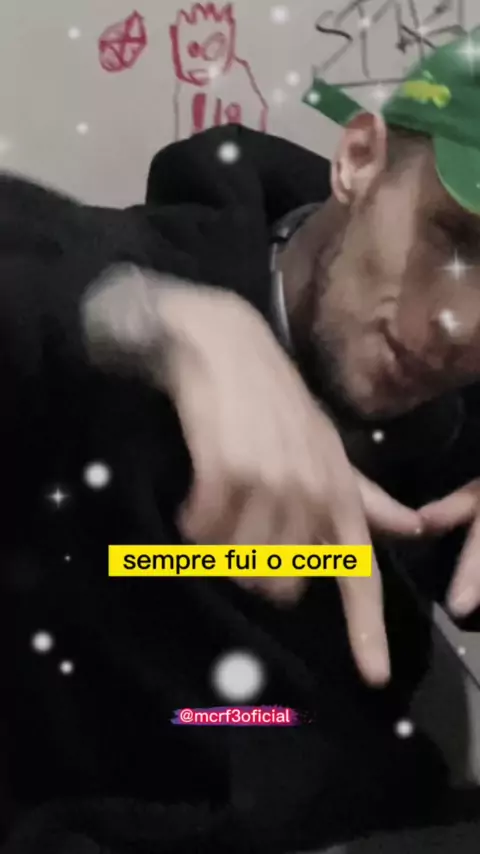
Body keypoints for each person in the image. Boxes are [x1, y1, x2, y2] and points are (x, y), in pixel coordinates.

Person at [2, 28, 480, 854]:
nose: (458, 328)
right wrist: (139, 314)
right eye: (456, 240)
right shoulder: (136, 305)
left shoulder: (451, 422)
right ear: (358, 160)